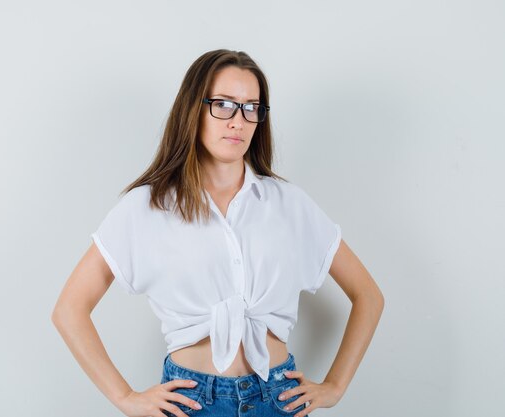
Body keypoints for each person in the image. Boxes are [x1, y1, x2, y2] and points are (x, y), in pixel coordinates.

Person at [52, 49, 384, 417]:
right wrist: (125, 397)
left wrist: (335, 387)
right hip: (193, 403)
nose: (238, 121)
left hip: (278, 398)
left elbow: (368, 295)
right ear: (194, 109)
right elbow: (69, 309)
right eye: (223, 104)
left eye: (251, 107)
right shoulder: (148, 206)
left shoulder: (289, 203)